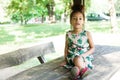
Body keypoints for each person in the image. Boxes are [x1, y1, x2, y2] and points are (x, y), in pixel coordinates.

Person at [61, 4, 95, 80]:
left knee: (79, 59)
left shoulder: (87, 34)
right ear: (70, 21)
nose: (77, 21)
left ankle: (76, 71)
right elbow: (66, 47)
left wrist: (83, 55)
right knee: (77, 58)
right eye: (74, 18)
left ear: (83, 21)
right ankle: (83, 70)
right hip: (72, 57)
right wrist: (65, 60)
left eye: (80, 18)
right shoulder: (68, 34)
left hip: (84, 56)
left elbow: (93, 48)